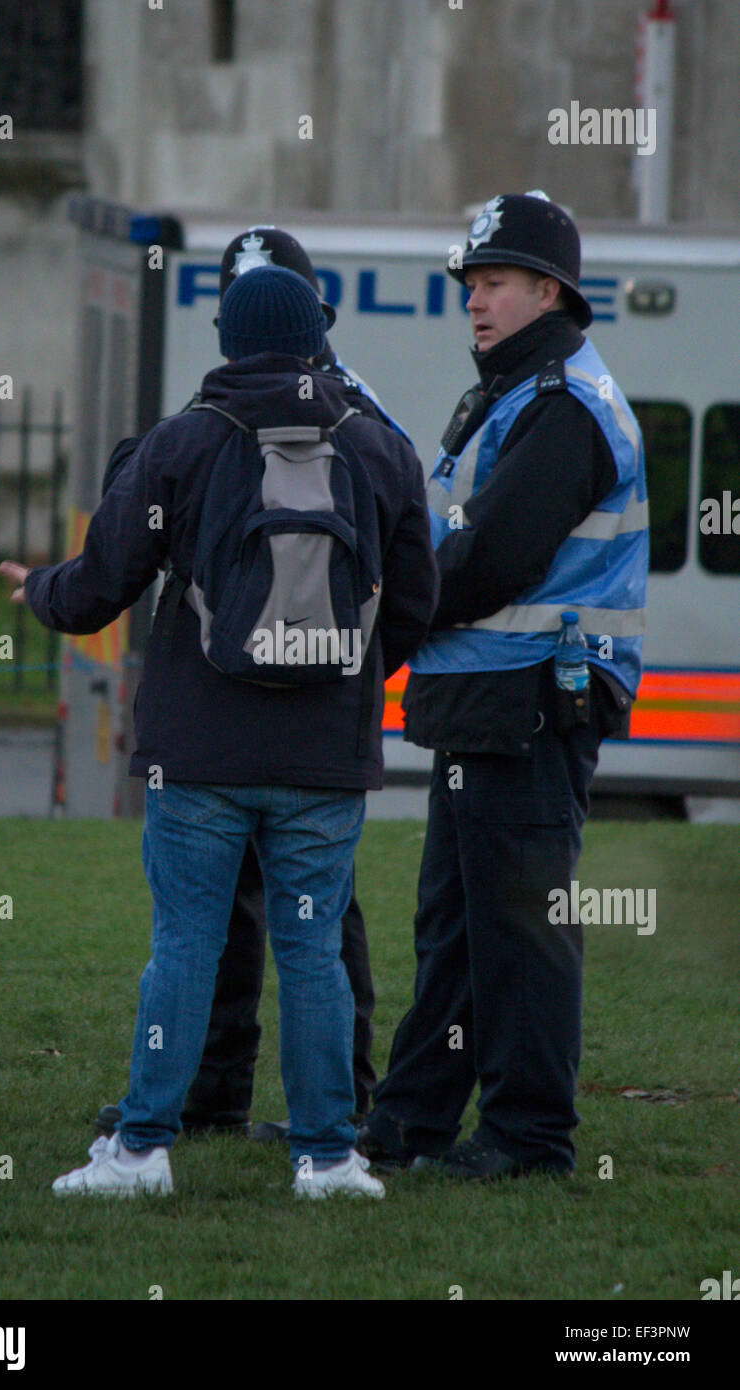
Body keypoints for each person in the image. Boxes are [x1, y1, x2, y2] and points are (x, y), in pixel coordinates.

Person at [0, 264, 438, 1197]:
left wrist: (37, 589)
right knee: (315, 950)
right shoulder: (383, 449)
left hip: (197, 755)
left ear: (229, 342)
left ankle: (143, 1148)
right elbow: (414, 609)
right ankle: (327, 1157)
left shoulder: (184, 443)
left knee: (186, 943)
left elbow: (98, 588)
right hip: (325, 758)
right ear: (318, 339)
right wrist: (337, 678)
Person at [95, 227, 412, 1144]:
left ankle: (192, 1114)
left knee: (217, 933)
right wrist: (341, 673)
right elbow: (411, 587)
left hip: (211, 737)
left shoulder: (213, 419)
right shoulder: (366, 423)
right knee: (302, 935)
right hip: (319, 744)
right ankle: (268, 1112)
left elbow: (129, 551)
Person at [358, 191, 649, 1181]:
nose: (474, 302)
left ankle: (528, 1139)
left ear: (548, 290)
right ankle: (409, 1123)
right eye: (469, 285)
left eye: (493, 283)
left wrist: (388, 606)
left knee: (517, 927)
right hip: (491, 701)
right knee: (454, 926)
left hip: (528, 700)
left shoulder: (561, 405)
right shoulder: (520, 393)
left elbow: (490, 561)